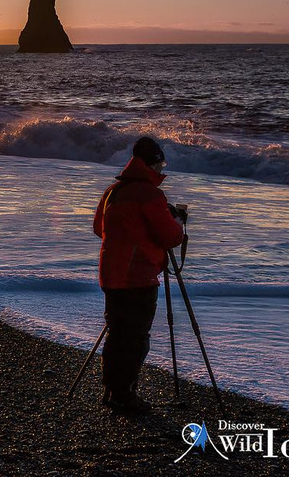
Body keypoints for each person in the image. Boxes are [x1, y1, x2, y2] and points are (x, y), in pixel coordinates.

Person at [92, 137, 185, 413]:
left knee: (117, 333)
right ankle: (125, 394)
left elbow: (100, 228)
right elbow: (170, 236)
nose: (161, 169)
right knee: (134, 338)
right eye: (160, 163)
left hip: (110, 274)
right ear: (152, 163)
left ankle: (113, 389)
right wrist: (177, 224)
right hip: (137, 278)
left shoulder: (113, 191)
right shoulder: (150, 194)